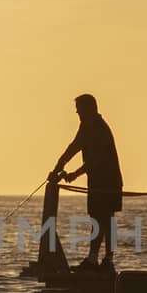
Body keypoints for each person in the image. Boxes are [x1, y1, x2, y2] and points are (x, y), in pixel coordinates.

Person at [51, 93, 123, 272]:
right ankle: (94, 259)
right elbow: (74, 147)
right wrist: (57, 168)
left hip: (109, 182)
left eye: (80, 111)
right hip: (97, 182)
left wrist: (74, 174)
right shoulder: (86, 126)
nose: (78, 114)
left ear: (89, 110)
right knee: (98, 219)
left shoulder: (99, 128)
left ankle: (106, 260)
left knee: (106, 220)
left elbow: (95, 160)